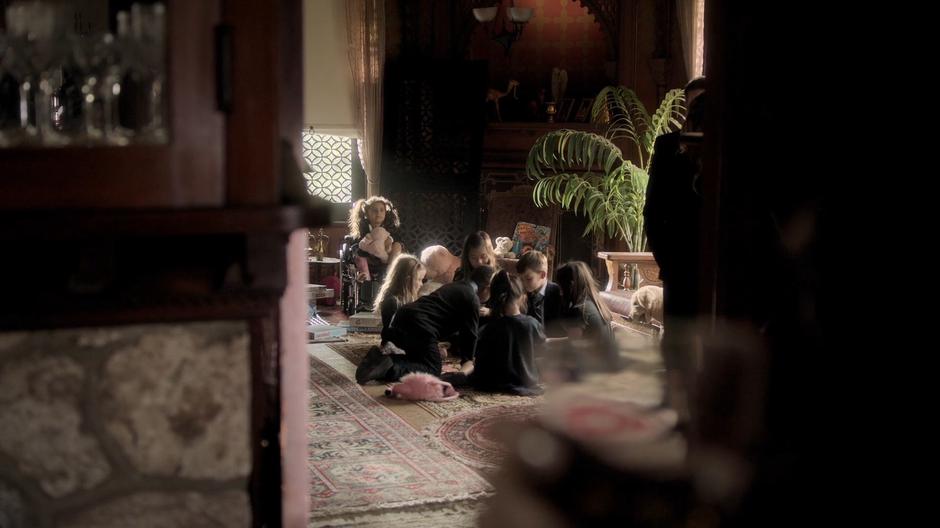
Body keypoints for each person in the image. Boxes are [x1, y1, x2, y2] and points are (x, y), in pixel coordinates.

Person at [643, 77, 706, 393]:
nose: (695, 113)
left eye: (702, 105)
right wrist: (664, 256)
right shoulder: (667, 146)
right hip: (679, 262)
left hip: (718, 264)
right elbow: (652, 209)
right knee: (678, 346)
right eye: (692, 106)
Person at [355, 265, 495, 384]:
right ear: (487, 287)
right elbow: (470, 333)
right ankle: (390, 365)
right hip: (419, 326)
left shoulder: (456, 286)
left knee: (418, 360)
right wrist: (468, 360)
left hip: (401, 318)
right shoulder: (472, 297)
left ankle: (380, 360)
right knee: (433, 368)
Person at [443, 271, 544, 395]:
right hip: (525, 381)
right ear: (522, 296)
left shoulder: (489, 328)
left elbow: (481, 363)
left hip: (492, 383)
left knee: (463, 371)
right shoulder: (532, 323)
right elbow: (541, 349)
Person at [347, 196, 404, 281]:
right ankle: (366, 279)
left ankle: (390, 273)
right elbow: (360, 245)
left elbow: (395, 243)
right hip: (368, 260)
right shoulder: (363, 231)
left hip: (387, 260)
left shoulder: (390, 230)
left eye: (382, 210)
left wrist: (388, 245)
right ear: (366, 213)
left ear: (385, 212)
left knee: (397, 245)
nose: (378, 213)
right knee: (355, 248)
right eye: (374, 210)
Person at [372, 254, 426, 330]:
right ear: (407, 280)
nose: (421, 284)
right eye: (419, 279)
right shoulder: (392, 302)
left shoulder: (410, 299)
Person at [516, 250, 563, 335]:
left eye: (528, 279)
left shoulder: (558, 293)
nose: (523, 283)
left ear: (543, 275)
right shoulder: (522, 294)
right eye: (521, 279)